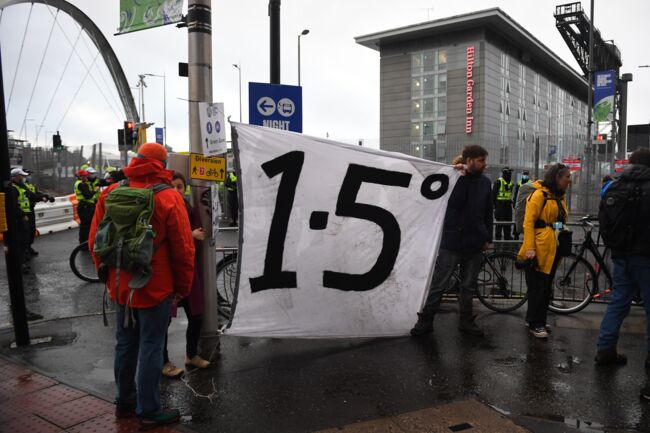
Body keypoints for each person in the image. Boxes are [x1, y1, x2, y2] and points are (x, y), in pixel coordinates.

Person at [88, 143, 195, 430]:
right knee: (151, 345)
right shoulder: (169, 198)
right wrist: (182, 287)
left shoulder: (110, 193)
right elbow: (183, 250)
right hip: (155, 287)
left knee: (124, 344)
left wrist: (107, 276)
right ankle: (148, 409)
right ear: (162, 164)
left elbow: (95, 241)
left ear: (136, 161)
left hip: (120, 285)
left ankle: (124, 403)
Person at [410, 145, 493, 338]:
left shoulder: (485, 183)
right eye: (481, 160)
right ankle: (425, 321)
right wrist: (458, 177)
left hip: (474, 243)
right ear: (469, 160)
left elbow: (488, 212)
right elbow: (451, 203)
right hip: (453, 241)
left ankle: (466, 322)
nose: (484, 164)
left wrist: (488, 237)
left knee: (468, 286)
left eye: (484, 160)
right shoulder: (453, 179)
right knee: (439, 284)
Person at [594, 149, 650, 383]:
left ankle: (605, 350)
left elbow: (603, 219)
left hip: (620, 255)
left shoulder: (614, 186)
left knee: (618, 302)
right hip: (646, 257)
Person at [161, 173, 210, 378]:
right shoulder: (163, 209)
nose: (177, 191)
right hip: (170, 275)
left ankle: (191, 354)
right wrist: (191, 235)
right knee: (163, 321)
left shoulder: (188, 208)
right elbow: (164, 239)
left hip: (189, 272)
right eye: (172, 187)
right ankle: (163, 362)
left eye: (180, 187)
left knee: (196, 315)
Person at [518, 163, 570, 338]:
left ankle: (536, 319)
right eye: (567, 177)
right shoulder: (539, 195)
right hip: (539, 247)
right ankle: (535, 323)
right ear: (557, 177)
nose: (569, 181)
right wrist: (530, 248)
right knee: (538, 287)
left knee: (545, 286)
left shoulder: (559, 197)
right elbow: (528, 222)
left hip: (552, 247)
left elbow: (560, 219)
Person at [23, 170, 54, 256]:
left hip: (30, 211)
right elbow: (32, 196)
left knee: (32, 230)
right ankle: (24, 251)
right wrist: (41, 198)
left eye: (29, 175)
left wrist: (46, 196)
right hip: (23, 212)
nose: (28, 176)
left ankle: (28, 247)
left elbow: (36, 194)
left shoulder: (30, 185)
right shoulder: (21, 186)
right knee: (25, 232)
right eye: (27, 175)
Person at [75, 170, 98, 243]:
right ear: (80, 176)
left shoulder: (80, 183)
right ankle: (85, 243)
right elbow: (88, 196)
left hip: (84, 206)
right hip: (85, 207)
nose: (86, 177)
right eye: (84, 176)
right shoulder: (82, 184)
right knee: (86, 226)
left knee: (84, 226)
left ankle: (83, 242)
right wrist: (95, 191)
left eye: (86, 176)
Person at [492, 167, 514, 240]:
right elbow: (493, 195)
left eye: (510, 173)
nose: (509, 174)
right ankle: (498, 241)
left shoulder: (511, 182)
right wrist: (495, 206)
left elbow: (509, 194)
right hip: (500, 205)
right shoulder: (498, 182)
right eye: (508, 173)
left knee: (508, 223)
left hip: (508, 205)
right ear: (504, 173)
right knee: (499, 224)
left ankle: (507, 239)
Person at [512, 170, 531, 239]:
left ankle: (526, 236)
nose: (525, 175)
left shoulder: (530, 183)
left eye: (526, 174)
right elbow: (515, 194)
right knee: (517, 219)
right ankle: (516, 235)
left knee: (527, 220)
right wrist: (514, 203)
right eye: (524, 174)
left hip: (527, 205)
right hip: (519, 204)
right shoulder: (519, 183)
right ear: (522, 174)